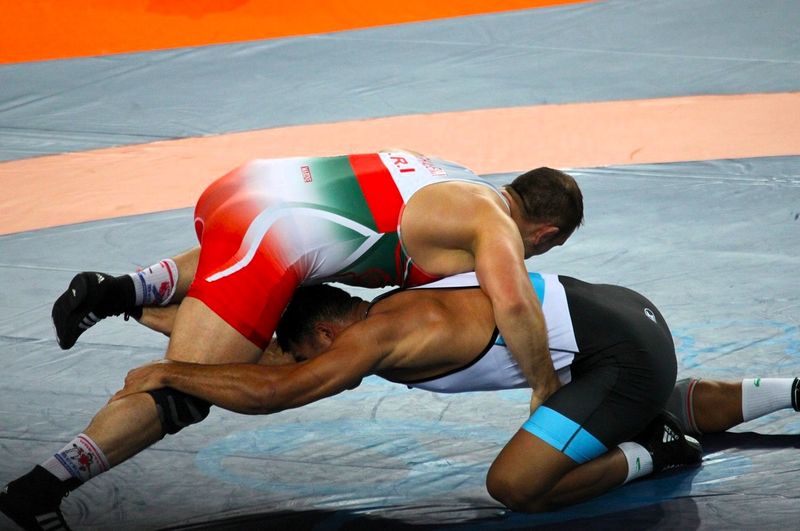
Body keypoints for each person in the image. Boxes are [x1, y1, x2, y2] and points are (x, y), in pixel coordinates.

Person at [6, 273, 797, 531]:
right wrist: (125, 302)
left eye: (307, 350)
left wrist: (170, 374)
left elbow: (278, 388)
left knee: (515, 486)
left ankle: (652, 449)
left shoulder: (376, 336)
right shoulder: (381, 301)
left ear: (328, 333)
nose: (317, 367)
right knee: (640, 393)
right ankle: (790, 389)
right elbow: (252, 338)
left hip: (618, 354)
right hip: (623, 312)